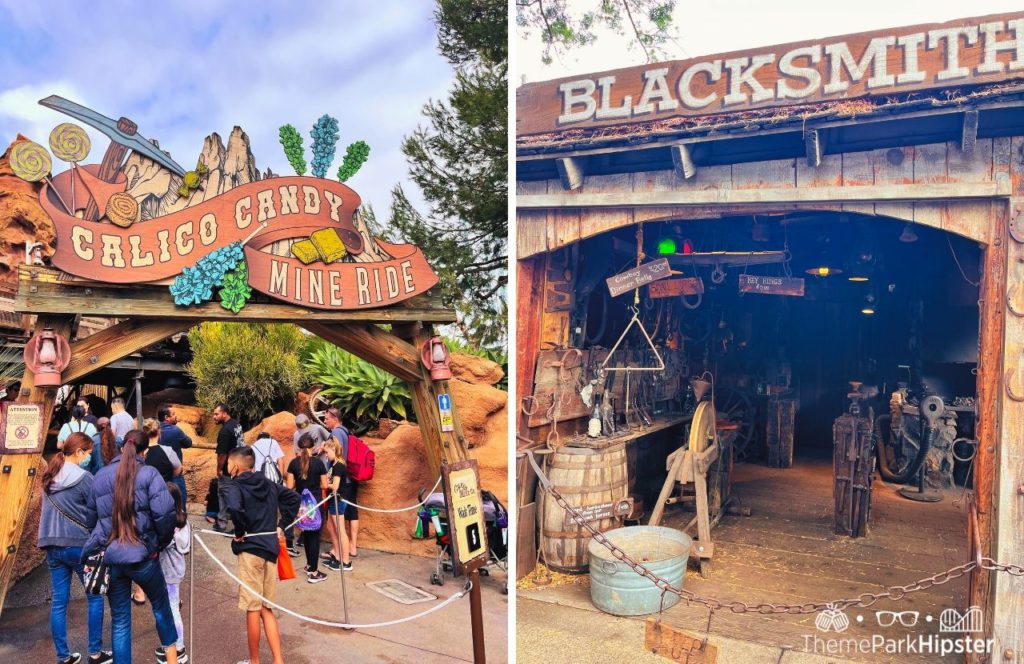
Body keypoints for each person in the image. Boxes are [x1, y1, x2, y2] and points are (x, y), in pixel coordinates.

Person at [83, 430, 180, 664]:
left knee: (120, 620)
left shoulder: (100, 476)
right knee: (161, 608)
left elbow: (89, 520)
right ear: (144, 451)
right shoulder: (149, 473)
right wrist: (157, 544)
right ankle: (173, 659)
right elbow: (165, 515)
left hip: (112, 557)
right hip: (144, 556)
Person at [37, 432, 112, 664]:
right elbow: (97, 511)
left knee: (60, 602)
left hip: (51, 545)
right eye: (88, 453)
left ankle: (63, 656)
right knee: (95, 597)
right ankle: (95, 653)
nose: (89, 457)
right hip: (79, 545)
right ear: (79, 452)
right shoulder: (84, 477)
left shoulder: (49, 475)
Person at [222, 447, 299, 664]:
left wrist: (239, 532)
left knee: (253, 608)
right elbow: (294, 497)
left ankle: (254, 661)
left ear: (236, 466)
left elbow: (235, 509)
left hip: (251, 551)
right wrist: (282, 525)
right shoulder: (267, 483)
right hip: (270, 550)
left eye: (228, 463)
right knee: (266, 607)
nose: (227, 467)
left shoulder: (235, 485)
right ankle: (278, 659)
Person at [285, 434, 329, 583]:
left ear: (299, 447)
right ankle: (313, 572)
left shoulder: (293, 463)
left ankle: (310, 565)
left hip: (301, 504)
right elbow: (324, 485)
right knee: (314, 537)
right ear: (313, 447)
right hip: (315, 504)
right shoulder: (318, 463)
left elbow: (290, 486)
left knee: (307, 534)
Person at [156, 483, 191, 664]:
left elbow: (162, 544)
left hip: (168, 571)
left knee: (171, 610)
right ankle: (174, 645)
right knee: (172, 605)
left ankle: (178, 648)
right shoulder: (183, 520)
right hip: (177, 569)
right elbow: (185, 546)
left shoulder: (168, 523)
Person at [324, 407, 359, 559]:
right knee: (351, 513)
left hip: (341, 482)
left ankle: (342, 554)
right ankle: (350, 548)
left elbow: (336, 452)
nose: (325, 421)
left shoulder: (337, 433)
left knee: (338, 522)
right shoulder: (345, 431)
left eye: (327, 418)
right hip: (348, 479)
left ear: (335, 419)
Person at [320, 438, 352, 572]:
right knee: (331, 527)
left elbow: (335, 486)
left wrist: (323, 484)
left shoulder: (339, 465)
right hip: (332, 500)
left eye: (327, 452)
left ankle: (346, 561)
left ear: (334, 449)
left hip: (338, 500)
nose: (326, 455)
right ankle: (337, 556)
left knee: (340, 530)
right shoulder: (334, 464)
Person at [212, 404, 245, 532]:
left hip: (228, 470)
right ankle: (222, 522)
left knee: (225, 495)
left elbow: (222, 454)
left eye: (216, 414)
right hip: (239, 466)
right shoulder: (237, 425)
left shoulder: (225, 431)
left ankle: (238, 527)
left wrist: (219, 469)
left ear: (224, 414)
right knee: (230, 495)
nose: (214, 417)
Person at [143, 418, 184, 486]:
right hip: (164, 488)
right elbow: (178, 470)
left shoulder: (140, 451)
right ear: (159, 432)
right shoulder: (168, 451)